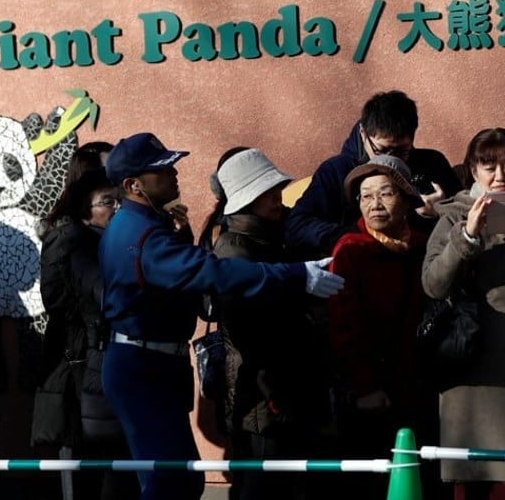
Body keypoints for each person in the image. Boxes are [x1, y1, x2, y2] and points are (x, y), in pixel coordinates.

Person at [98, 132, 345, 500]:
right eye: (162, 171)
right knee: (170, 483)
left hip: (153, 363)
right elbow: (215, 273)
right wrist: (298, 277)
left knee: (181, 480)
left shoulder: (147, 227)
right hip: (141, 367)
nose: (174, 174)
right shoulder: (141, 235)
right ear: (133, 185)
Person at [422, 128, 505, 500]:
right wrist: (466, 238)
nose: (499, 177)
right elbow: (433, 284)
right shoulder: (453, 216)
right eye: (489, 166)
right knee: (484, 477)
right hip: (479, 373)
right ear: (472, 170)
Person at [212, 148, 329, 500]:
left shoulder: (276, 235)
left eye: (277, 189)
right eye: (267, 193)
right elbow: (252, 333)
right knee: (262, 482)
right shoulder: (236, 250)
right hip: (262, 393)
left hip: (288, 387)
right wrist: (272, 394)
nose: (277, 199)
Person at [329, 155, 433, 497]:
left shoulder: (423, 247)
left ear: (406, 199)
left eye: (385, 194)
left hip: (418, 385)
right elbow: (343, 325)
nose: (374, 204)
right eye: (365, 196)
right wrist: (364, 386)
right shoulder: (351, 251)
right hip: (372, 392)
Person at [37, 167, 140, 500]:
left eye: (118, 200)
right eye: (106, 202)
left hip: (107, 359)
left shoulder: (116, 241)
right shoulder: (71, 239)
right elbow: (56, 300)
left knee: (114, 462)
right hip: (79, 360)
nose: (115, 208)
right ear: (85, 208)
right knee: (87, 462)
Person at [285, 90, 461, 259]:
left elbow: (468, 223)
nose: (389, 160)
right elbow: (297, 226)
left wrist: (441, 213)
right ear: (363, 133)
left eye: (401, 151)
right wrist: (358, 237)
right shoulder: (336, 171)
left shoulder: (432, 163)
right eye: (381, 150)